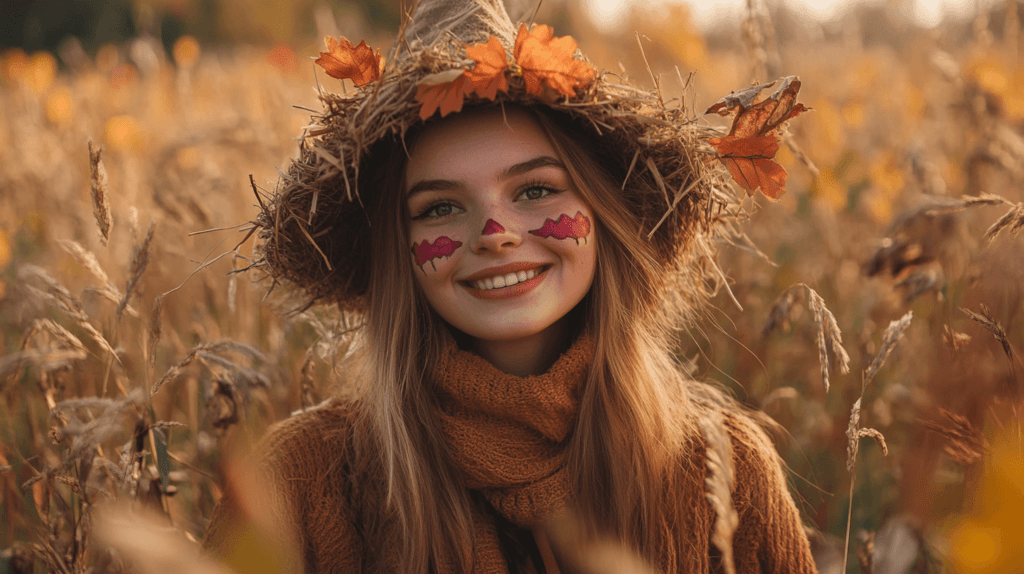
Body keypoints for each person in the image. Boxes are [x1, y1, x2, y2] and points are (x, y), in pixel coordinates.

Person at [203, 0, 819, 572]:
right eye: (440, 208)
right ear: (399, 252)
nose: (495, 233)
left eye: (535, 190)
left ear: (605, 217)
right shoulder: (298, 481)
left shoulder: (725, 471)